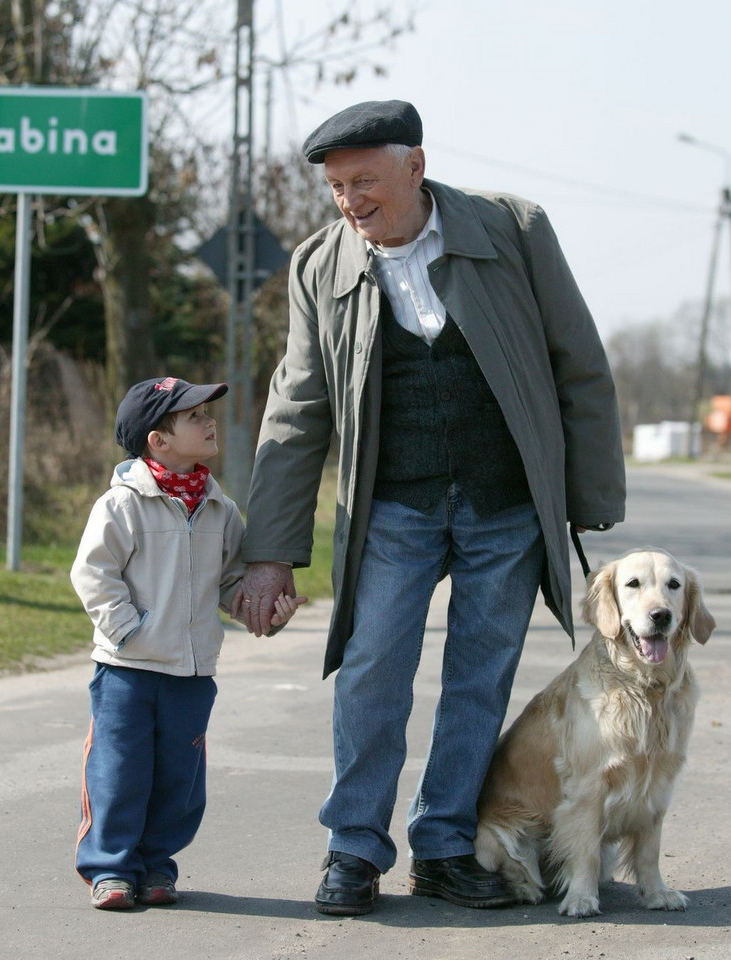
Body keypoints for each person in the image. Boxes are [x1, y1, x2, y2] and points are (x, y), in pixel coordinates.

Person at [232, 100, 625, 916]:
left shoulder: (512, 230)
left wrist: (584, 498)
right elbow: (296, 412)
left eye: (366, 181)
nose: (351, 201)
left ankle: (445, 844)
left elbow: (576, 362)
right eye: (338, 187)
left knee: (479, 681)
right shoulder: (319, 266)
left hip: (506, 502)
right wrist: (270, 553)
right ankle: (354, 848)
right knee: (371, 672)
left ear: (416, 167)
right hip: (392, 509)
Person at [71, 376, 304, 910]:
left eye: (208, 413)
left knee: (179, 778)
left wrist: (267, 611)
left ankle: (156, 867)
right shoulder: (122, 505)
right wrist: (131, 630)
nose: (210, 422)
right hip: (127, 670)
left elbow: (229, 585)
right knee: (119, 770)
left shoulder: (221, 509)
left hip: (194, 673)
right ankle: (111, 869)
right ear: (159, 440)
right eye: (195, 416)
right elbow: (93, 575)